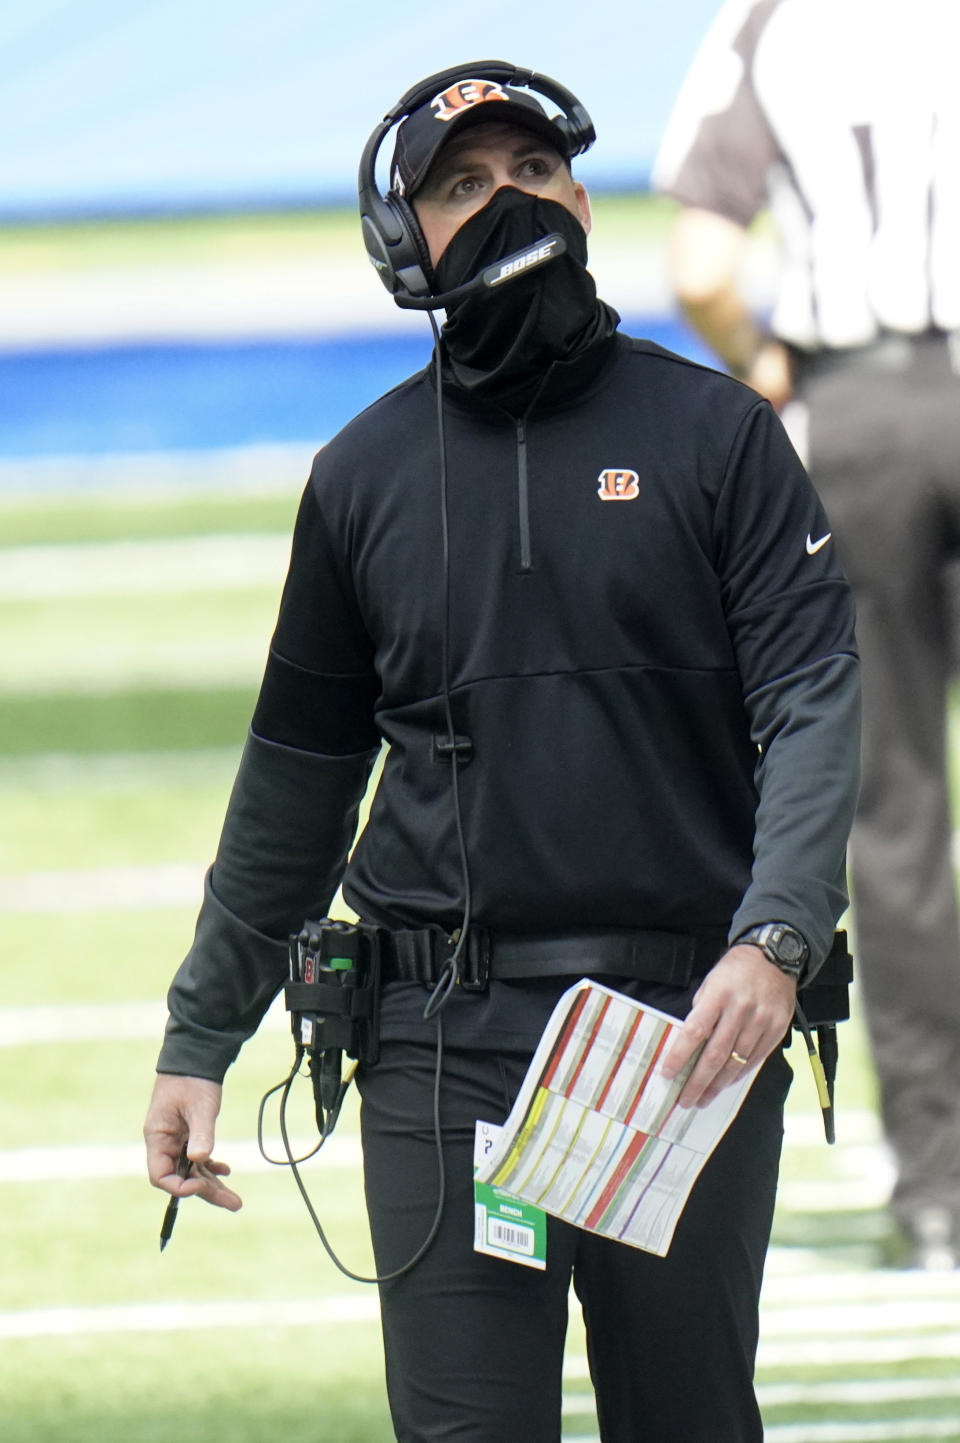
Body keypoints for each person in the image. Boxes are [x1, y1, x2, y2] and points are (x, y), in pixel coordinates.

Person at [144, 61, 860, 1442]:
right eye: (462, 186)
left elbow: (816, 700)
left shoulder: (720, 435)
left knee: (689, 1419)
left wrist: (775, 940)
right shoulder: (360, 479)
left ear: (585, 198)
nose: (505, 202)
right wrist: (198, 1033)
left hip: (681, 1038)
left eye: (530, 173)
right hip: (439, 1044)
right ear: (402, 239)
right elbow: (295, 782)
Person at [653, 0, 960, 1272]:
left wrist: (768, 371)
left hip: (861, 411)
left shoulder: (773, 22)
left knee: (892, 816)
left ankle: (940, 1185)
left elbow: (704, 268)